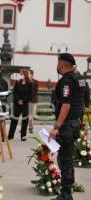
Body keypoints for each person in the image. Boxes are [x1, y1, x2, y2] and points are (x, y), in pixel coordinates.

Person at [49, 53, 85, 200]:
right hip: (75, 123)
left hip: (67, 126)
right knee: (66, 159)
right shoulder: (79, 78)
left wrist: (56, 127)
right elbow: (83, 101)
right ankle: (65, 193)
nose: (57, 66)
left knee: (65, 160)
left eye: (58, 63)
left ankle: (66, 195)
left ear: (61, 65)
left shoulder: (66, 81)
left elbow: (66, 104)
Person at [8, 69, 32, 141]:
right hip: (17, 103)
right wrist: (18, 100)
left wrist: (23, 101)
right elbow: (14, 92)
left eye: (21, 74)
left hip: (25, 104)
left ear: (25, 74)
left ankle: (23, 136)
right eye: (20, 74)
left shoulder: (30, 83)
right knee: (14, 119)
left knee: (25, 120)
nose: (20, 75)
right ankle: (10, 135)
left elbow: (30, 94)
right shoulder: (17, 82)